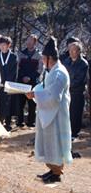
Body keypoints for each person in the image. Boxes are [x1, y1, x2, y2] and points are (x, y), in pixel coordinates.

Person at [26, 37, 72, 184]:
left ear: (50, 58)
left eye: (43, 58)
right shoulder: (50, 70)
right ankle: (52, 169)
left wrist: (36, 95)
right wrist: (34, 92)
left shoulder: (60, 73)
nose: (41, 61)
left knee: (56, 142)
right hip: (47, 111)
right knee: (47, 140)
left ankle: (57, 172)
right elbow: (43, 86)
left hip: (57, 113)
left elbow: (54, 96)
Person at [62, 40, 88, 139]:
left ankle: (74, 133)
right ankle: (65, 132)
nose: (71, 52)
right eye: (70, 50)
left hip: (77, 92)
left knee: (75, 114)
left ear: (78, 51)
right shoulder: (66, 61)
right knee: (66, 113)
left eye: (74, 50)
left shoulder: (83, 64)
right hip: (66, 92)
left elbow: (80, 80)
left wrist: (67, 85)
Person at [0, 36, 18, 131]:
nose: (3, 47)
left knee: (9, 103)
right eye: (1, 45)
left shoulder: (13, 56)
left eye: (5, 45)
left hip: (9, 85)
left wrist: (6, 82)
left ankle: (8, 123)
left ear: (9, 45)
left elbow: (14, 71)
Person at [16, 34, 42, 128]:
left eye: (31, 41)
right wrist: (22, 77)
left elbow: (40, 69)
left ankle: (31, 122)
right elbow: (18, 67)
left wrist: (30, 77)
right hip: (21, 82)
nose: (29, 43)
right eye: (27, 41)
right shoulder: (21, 53)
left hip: (33, 83)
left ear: (35, 42)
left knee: (32, 103)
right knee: (20, 103)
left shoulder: (39, 55)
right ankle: (19, 122)